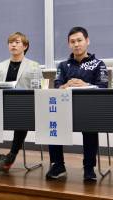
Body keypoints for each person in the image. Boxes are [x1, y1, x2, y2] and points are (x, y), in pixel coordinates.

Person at [46, 27, 108, 181]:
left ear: (87, 41)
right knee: (51, 123)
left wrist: (85, 85)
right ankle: (58, 165)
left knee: (90, 127)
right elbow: (57, 86)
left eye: (79, 40)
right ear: (69, 44)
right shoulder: (62, 65)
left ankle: (89, 168)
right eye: (72, 42)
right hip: (64, 110)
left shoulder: (98, 64)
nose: (76, 44)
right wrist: (66, 85)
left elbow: (103, 87)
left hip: (89, 110)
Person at [0, 32, 43, 172]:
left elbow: (38, 90)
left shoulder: (33, 66)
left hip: (23, 107)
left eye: (17, 42)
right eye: (11, 42)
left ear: (25, 46)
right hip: (0, 105)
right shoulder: (0, 66)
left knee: (22, 118)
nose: (13, 45)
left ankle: (11, 155)